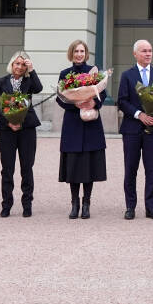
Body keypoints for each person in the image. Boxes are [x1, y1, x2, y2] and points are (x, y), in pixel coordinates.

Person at [116, 39, 153, 220]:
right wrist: (139, 114)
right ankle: (130, 207)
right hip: (132, 129)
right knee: (130, 169)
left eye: (150, 50)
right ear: (135, 54)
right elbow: (122, 101)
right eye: (144, 51)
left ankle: (151, 207)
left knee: (151, 170)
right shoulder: (127, 75)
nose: (148, 54)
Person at [57, 39, 107, 219]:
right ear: (71, 53)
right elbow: (60, 98)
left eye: (82, 51)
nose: (79, 54)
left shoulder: (93, 72)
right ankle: (74, 203)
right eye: (76, 51)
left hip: (91, 123)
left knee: (89, 164)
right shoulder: (65, 74)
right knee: (73, 165)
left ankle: (86, 202)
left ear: (86, 54)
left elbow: (103, 93)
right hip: (73, 124)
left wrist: (92, 101)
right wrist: (76, 104)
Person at [0, 51, 43, 217]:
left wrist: (32, 70)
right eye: (17, 63)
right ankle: (6, 204)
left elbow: (38, 88)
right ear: (12, 64)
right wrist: (9, 122)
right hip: (7, 130)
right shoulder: (1, 82)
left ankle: (27, 204)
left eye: (23, 64)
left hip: (26, 129)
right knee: (7, 168)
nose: (19, 67)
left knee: (26, 167)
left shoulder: (29, 81)